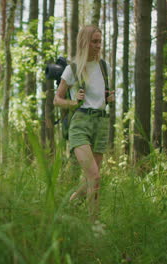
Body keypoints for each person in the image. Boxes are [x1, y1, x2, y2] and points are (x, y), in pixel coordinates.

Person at [53, 25, 115, 221]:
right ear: (84, 42)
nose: (98, 45)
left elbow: (102, 98)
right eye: (94, 41)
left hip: (101, 123)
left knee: (91, 179)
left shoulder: (105, 67)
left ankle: (67, 208)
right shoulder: (72, 69)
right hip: (80, 123)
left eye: (100, 41)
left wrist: (109, 98)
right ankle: (93, 226)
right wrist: (74, 101)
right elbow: (57, 100)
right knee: (95, 177)